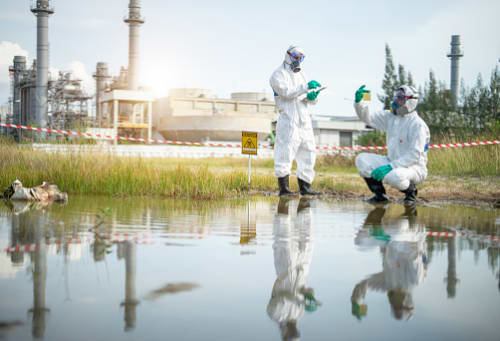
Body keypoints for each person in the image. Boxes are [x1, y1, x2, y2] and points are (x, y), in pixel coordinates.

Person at [353, 85, 430, 204]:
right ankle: (380, 196)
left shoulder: (417, 125)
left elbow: (415, 154)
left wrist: (391, 166)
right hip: (392, 161)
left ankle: (411, 193)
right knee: (362, 160)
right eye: (395, 97)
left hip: (414, 168)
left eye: (400, 98)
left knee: (395, 176)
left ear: (410, 101)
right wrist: (359, 103)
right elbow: (368, 119)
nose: (395, 101)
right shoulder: (391, 117)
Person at [350, 205, 427, 321]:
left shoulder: (388, 284)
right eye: (397, 306)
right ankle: (400, 211)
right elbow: (413, 251)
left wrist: (356, 300)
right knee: (398, 230)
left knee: (360, 241)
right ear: (406, 303)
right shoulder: (415, 279)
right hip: (413, 233)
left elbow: (365, 284)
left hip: (391, 236)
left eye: (394, 306)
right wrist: (388, 239)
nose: (394, 303)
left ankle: (377, 214)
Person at [270, 45, 322, 196]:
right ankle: (284, 189)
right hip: (288, 120)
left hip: (304, 120)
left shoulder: (303, 75)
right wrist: (305, 87)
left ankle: (305, 187)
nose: (298, 60)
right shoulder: (278, 74)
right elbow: (286, 93)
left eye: (300, 57)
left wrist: (312, 97)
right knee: (285, 153)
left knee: (308, 152)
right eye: (295, 56)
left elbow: (308, 97)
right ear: (288, 55)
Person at [267, 197, 319, 340]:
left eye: (290, 335)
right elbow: (303, 290)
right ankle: (305, 193)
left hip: (285, 268)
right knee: (308, 234)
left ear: (284, 335)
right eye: (295, 334)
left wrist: (299, 300)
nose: (293, 331)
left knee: (283, 232)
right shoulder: (299, 313)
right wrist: (310, 296)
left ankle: (283, 196)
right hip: (303, 267)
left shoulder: (275, 315)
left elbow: (282, 298)